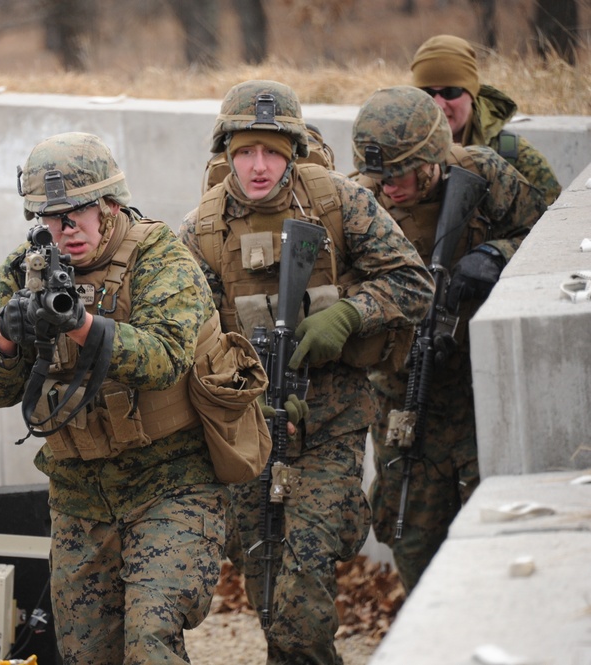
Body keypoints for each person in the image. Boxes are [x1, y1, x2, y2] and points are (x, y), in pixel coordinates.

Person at [179, 80, 433, 665]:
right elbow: (188, 340)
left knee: (304, 577)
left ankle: (337, 516)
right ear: (226, 154)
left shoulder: (339, 203)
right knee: (266, 582)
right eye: (245, 152)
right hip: (249, 430)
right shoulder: (201, 233)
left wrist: (349, 312)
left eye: (272, 150)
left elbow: (415, 283)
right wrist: (244, 395)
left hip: (333, 418)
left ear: (293, 149)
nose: (259, 166)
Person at [0, 132, 229, 664]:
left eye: (77, 215)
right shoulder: (26, 268)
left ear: (108, 205)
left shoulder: (159, 255)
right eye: (50, 219)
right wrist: (5, 337)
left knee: (150, 643)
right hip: (80, 497)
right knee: (87, 655)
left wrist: (83, 325)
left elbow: (165, 358)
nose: (65, 231)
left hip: (171, 483)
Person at [351, 85, 547, 594]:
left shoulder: (482, 175)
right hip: (403, 399)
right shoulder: (359, 202)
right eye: (380, 174)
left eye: (400, 173)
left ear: (432, 159)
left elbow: (551, 236)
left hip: (480, 393)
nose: (389, 186)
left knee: (495, 530)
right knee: (408, 538)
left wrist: (496, 255)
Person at [411, 34, 562, 206]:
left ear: (472, 92)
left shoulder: (513, 156)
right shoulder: (400, 151)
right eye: (427, 94)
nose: (439, 104)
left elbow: (552, 219)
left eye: (450, 93)